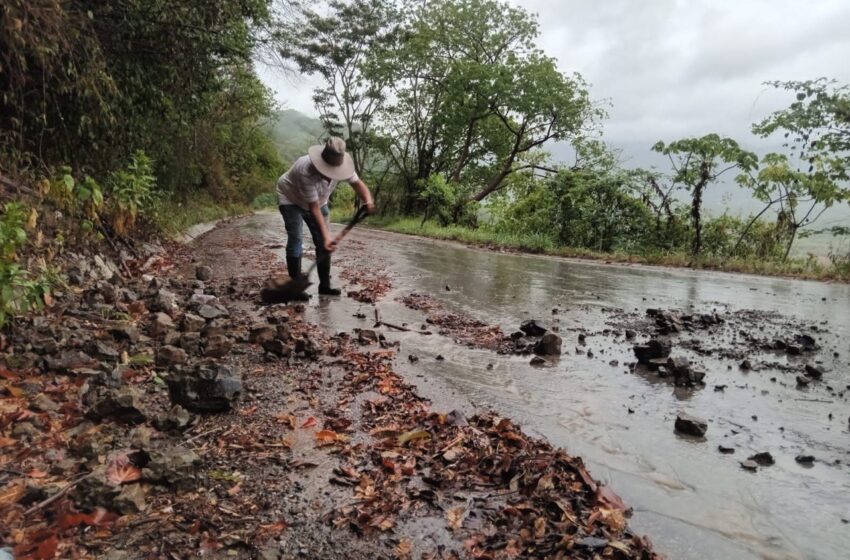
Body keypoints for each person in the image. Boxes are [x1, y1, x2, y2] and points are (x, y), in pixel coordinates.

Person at [276, 137, 375, 298]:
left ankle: (325, 286)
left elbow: (359, 185)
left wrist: (368, 200)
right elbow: (313, 208)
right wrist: (327, 237)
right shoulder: (305, 169)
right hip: (290, 198)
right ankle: (295, 286)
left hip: (319, 201)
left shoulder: (343, 166)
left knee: (323, 243)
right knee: (296, 238)